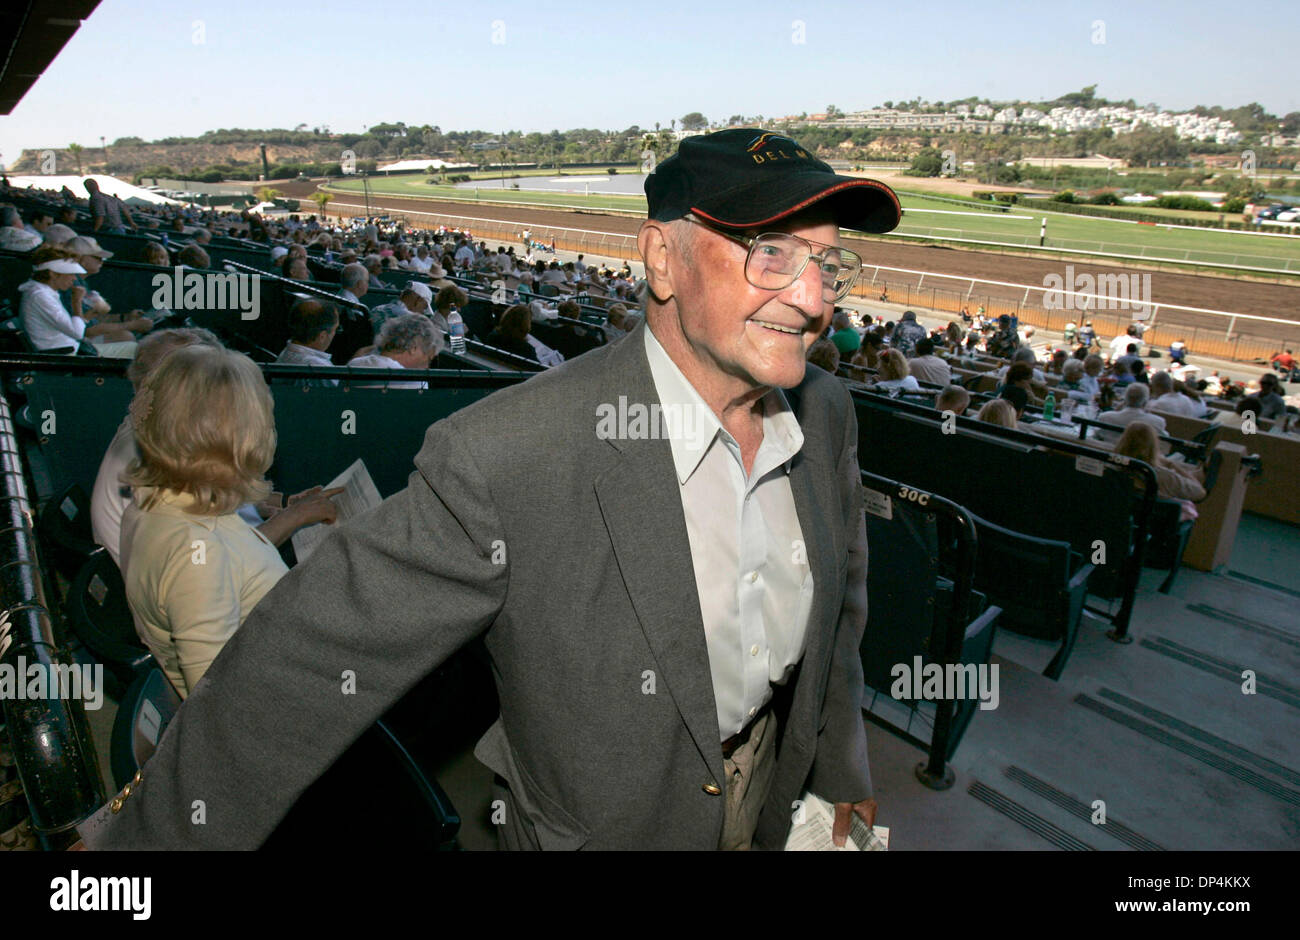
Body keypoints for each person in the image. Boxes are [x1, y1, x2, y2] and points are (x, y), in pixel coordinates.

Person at [82, 126, 900, 851]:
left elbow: (843, 612)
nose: (812, 296)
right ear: (661, 259)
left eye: (827, 261)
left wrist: (839, 766)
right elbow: (294, 664)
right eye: (773, 252)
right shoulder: (510, 452)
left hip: (769, 796)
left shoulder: (825, 413)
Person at [118, 345, 338, 698]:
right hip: (281, 694)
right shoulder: (197, 554)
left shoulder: (157, 498)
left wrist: (291, 515)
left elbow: (226, 559)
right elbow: (212, 700)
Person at [91, 329, 340, 567]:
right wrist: (295, 516)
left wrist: (285, 502)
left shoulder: (152, 426)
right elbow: (222, 562)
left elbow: (213, 496)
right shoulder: (157, 453)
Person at [17, 246, 137, 353]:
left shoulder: (44, 292)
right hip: (64, 355)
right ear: (53, 274)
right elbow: (77, 333)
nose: (74, 278)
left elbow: (71, 326)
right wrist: (77, 301)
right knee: (135, 351)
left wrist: (92, 313)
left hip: (72, 348)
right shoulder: (40, 296)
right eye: (70, 273)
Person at [1114, 423, 1206, 502]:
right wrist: (1171, 464)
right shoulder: (1163, 476)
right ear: (1153, 447)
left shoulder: (1110, 467)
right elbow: (1200, 493)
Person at [347, 314, 442, 388]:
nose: (426, 367)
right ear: (414, 348)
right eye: (428, 359)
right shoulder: (414, 382)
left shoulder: (354, 363)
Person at [275, 298, 340, 386]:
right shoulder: (319, 369)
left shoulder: (286, 352)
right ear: (322, 336)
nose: (335, 334)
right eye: (335, 329)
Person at [1095, 382, 1167, 443]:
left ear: (1125, 400)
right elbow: (1165, 443)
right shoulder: (1157, 422)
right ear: (1145, 402)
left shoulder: (1105, 417)